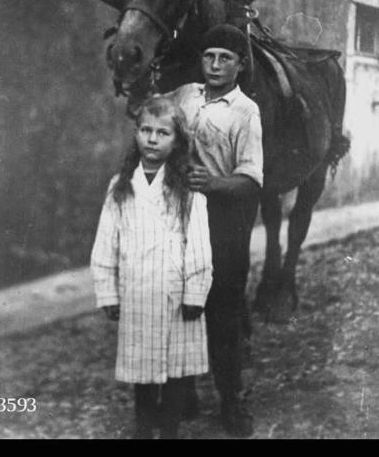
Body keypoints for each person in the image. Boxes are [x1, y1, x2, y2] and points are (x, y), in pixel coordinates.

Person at [90, 96, 213, 439]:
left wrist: (195, 293)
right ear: (136, 133)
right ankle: (143, 431)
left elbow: (200, 245)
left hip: (176, 295)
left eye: (163, 133)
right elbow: (105, 244)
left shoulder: (188, 189)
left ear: (177, 141)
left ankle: (170, 432)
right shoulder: (121, 186)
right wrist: (107, 291)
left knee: (176, 370)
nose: (152, 139)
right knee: (142, 371)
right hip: (138, 292)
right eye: (146, 130)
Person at [169, 24, 264, 437]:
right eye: (209, 56)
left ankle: (231, 401)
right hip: (179, 217)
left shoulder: (245, 111)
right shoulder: (185, 95)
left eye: (226, 58)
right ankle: (183, 392)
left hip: (223, 221)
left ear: (240, 65)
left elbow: (251, 179)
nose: (216, 64)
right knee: (178, 304)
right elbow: (155, 126)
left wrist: (211, 184)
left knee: (223, 311)